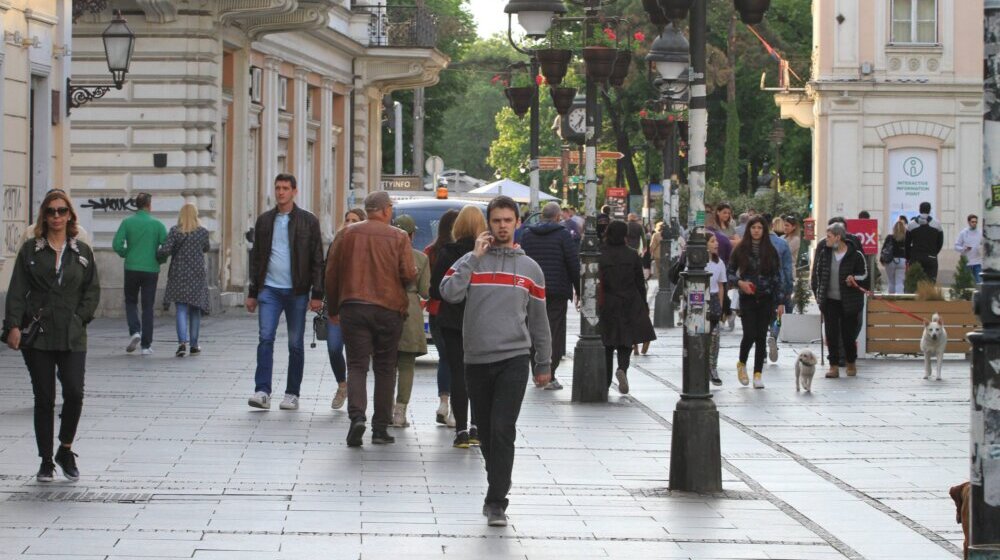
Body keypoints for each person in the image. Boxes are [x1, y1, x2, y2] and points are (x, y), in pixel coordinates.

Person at [439, 195, 552, 527]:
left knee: (503, 429)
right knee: (486, 433)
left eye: (507, 220)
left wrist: (543, 362)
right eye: (496, 220)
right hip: (475, 359)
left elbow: (539, 320)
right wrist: (474, 257)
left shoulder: (530, 269)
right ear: (488, 224)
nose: (502, 226)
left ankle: (496, 499)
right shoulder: (470, 261)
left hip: (514, 359)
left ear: (517, 223)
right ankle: (499, 473)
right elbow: (449, 293)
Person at [5, 190, 100, 481]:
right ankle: (46, 460)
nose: (56, 216)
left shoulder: (81, 252)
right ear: (43, 216)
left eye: (61, 211)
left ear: (70, 214)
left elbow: (91, 291)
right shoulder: (31, 251)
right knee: (44, 398)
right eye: (51, 211)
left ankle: (65, 448)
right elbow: (17, 291)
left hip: (72, 335)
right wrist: (12, 326)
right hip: (40, 335)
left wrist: (79, 318)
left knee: (74, 392)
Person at [326, 191, 416, 446]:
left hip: (353, 307)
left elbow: (331, 273)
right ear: (387, 210)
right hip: (389, 309)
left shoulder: (346, 234)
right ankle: (380, 428)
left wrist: (333, 308)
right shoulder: (398, 237)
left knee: (356, 365)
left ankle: (357, 418)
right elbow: (408, 275)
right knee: (386, 368)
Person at [245, 173, 324, 411]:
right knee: (265, 338)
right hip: (269, 289)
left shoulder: (308, 221)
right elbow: (257, 257)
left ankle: (292, 393)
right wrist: (252, 292)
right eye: (278, 188)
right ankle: (262, 391)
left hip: (297, 291)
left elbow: (317, 259)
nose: (280, 192)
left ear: (294, 191)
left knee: (295, 344)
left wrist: (317, 293)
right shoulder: (265, 221)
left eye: (285, 188)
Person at [430, 205, 486, 448]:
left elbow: (435, 289)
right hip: (481, 321)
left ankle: (461, 430)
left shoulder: (447, 252)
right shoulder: (488, 253)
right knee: (479, 374)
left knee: (457, 373)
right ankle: (476, 426)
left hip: (452, 322)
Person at [519, 201, 581, 391]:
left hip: (531, 289)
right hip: (556, 291)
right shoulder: (563, 235)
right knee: (553, 331)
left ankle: (536, 372)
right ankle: (549, 375)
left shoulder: (527, 234)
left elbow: (521, 259)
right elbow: (572, 262)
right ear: (557, 217)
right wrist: (579, 290)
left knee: (532, 329)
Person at [597, 221, 657, 394]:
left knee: (607, 343)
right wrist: (644, 304)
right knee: (626, 340)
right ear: (625, 235)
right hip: (629, 300)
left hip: (608, 302)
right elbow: (640, 282)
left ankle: (606, 382)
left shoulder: (600, 253)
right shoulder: (632, 255)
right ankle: (622, 368)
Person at [728, 216, 784, 389]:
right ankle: (742, 364)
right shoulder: (740, 249)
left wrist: (780, 301)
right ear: (749, 229)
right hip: (747, 299)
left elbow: (777, 277)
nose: (756, 230)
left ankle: (757, 374)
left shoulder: (771, 250)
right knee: (749, 334)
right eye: (753, 227)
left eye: (760, 227)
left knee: (761, 337)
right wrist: (740, 283)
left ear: (764, 230)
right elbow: (729, 272)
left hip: (766, 298)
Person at [112, 192, 166, 355]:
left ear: (136, 205)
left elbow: (116, 244)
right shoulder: (157, 224)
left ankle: (135, 330)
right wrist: (160, 260)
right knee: (148, 307)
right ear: (149, 205)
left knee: (130, 301)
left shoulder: (127, 222)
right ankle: (146, 345)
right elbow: (166, 246)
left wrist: (126, 253)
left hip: (132, 267)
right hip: (151, 269)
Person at [812, 222, 868, 378]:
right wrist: (819, 294)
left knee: (848, 335)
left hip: (849, 301)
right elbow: (818, 274)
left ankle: (851, 362)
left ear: (838, 237)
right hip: (830, 301)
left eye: (829, 237)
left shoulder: (855, 255)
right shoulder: (825, 253)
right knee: (831, 334)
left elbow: (865, 275)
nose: (826, 240)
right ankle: (834, 366)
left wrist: (854, 278)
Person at [157, 203, 210, 357]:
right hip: (197, 274)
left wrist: (157, 252)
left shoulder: (175, 231)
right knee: (195, 309)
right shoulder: (202, 232)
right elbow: (206, 248)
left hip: (179, 273)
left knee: (180, 309)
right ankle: (194, 345)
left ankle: (182, 344)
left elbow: (166, 250)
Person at [391, 214, 430, 428]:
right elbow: (425, 292)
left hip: (386, 307)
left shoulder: (383, 254)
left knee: (386, 364)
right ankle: (400, 412)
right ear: (412, 235)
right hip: (410, 309)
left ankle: (384, 409)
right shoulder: (421, 258)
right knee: (406, 364)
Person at [327, 208, 367, 410]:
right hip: (337, 305)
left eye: (355, 220)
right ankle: (342, 384)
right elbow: (328, 274)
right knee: (334, 348)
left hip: (359, 306)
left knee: (355, 353)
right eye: (347, 220)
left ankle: (355, 396)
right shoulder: (336, 243)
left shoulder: (367, 246)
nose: (350, 223)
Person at [424, 208, 459, 426]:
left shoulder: (431, 250)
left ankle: (443, 402)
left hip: (436, 311)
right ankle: (456, 408)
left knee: (445, 358)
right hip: (458, 312)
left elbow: (427, 284)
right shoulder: (466, 252)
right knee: (459, 360)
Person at [763, 213, 794, 364]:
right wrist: (789, 288)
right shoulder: (782, 244)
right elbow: (788, 269)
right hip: (779, 286)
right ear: (772, 225)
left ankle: (761, 350)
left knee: (760, 319)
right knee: (777, 316)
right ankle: (773, 336)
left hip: (761, 287)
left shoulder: (757, 243)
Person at [705, 233, 726, 385]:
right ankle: (701, 366)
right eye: (712, 241)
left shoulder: (719, 263)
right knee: (700, 336)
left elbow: (720, 285)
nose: (716, 244)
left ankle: (713, 367)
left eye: (716, 241)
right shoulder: (695, 261)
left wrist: (721, 306)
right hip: (699, 300)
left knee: (714, 336)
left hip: (713, 300)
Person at [905, 201, 944, 282]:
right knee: (930, 283)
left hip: (916, 258)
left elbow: (907, 244)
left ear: (919, 210)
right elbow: (940, 242)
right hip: (931, 257)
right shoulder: (937, 224)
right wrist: (934, 253)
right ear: (929, 210)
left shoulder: (911, 225)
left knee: (914, 283)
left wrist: (909, 257)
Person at [881, 219, 907, 294]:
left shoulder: (889, 237)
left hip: (890, 261)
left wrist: (882, 260)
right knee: (900, 282)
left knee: (891, 281)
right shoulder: (906, 238)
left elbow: (884, 249)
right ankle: (900, 299)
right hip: (902, 261)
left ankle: (891, 299)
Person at [955, 214, 982, 284]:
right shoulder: (963, 233)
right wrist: (964, 249)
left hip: (977, 262)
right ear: (969, 222)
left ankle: (980, 295)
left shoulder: (980, 233)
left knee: (979, 282)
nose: (974, 223)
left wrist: (981, 248)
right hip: (966, 262)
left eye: (976, 222)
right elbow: (956, 246)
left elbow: (984, 245)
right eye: (973, 222)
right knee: (964, 283)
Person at [782, 216, 802, 282]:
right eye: (784, 225)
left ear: (793, 227)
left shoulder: (796, 239)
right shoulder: (782, 237)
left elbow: (785, 252)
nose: (785, 227)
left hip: (789, 271)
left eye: (787, 225)